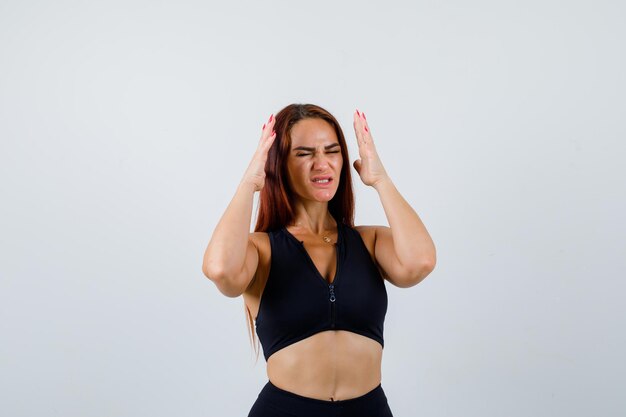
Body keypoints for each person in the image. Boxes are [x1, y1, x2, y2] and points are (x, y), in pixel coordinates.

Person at [202, 104, 436, 417]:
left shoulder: (368, 242)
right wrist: (250, 183)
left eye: (332, 151)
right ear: (279, 163)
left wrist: (380, 179)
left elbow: (420, 263)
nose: (321, 164)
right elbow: (221, 271)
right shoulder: (261, 250)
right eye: (304, 153)